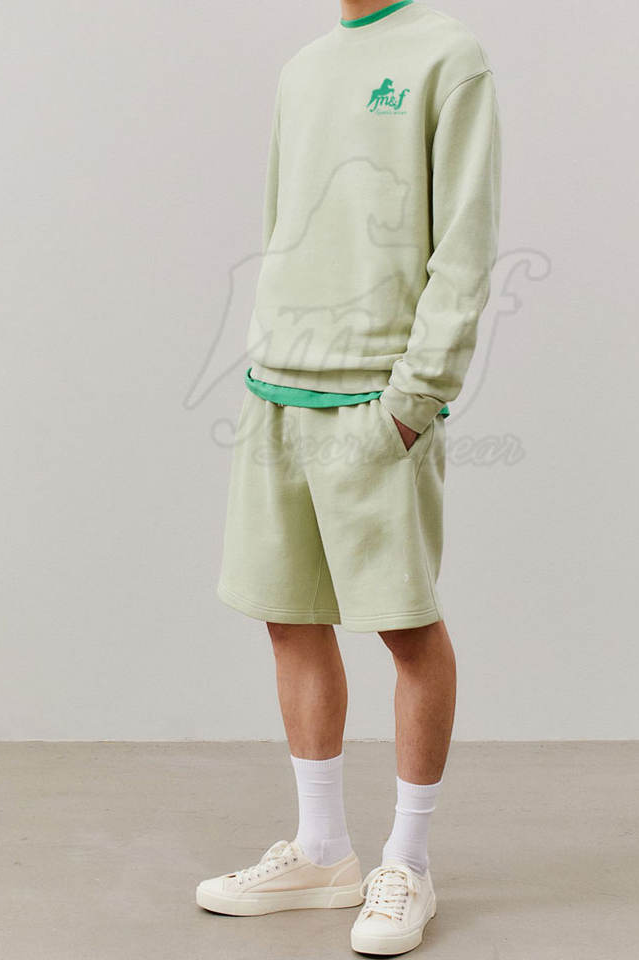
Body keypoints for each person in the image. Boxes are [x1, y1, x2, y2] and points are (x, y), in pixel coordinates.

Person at [197, 0, 501, 953]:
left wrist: (415, 398)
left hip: (377, 398)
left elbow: (465, 241)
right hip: (277, 388)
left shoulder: (450, 56)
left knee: (406, 626)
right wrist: (262, 352)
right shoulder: (304, 67)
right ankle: (324, 851)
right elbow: (283, 224)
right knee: (290, 617)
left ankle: (407, 863)